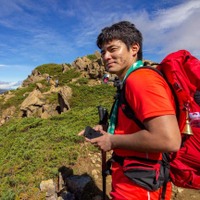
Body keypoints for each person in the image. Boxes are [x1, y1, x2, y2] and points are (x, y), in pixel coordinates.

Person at [78, 21, 181, 200]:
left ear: (134, 48)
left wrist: (112, 141)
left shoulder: (140, 80)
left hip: (141, 186)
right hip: (133, 177)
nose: (106, 57)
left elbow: (169, 139)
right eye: (103, 52)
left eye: (113, 49)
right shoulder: (131, 80)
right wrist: (108, 132)